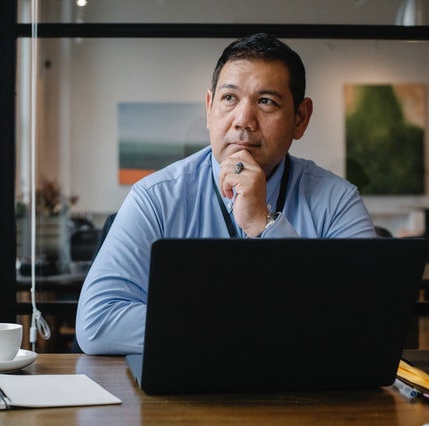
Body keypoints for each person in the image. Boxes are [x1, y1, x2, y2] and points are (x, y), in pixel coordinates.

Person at [75, 33, 377, 355]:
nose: (243, 121)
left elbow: (370, 321)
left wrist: (265, 225)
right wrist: (246, 323)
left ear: (300, 119)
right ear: (209, 108)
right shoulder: (156, 198)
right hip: (183, 397)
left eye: (266, 102)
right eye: (229, 98)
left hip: (302, 397)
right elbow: (97, 322)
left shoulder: (337, 201)